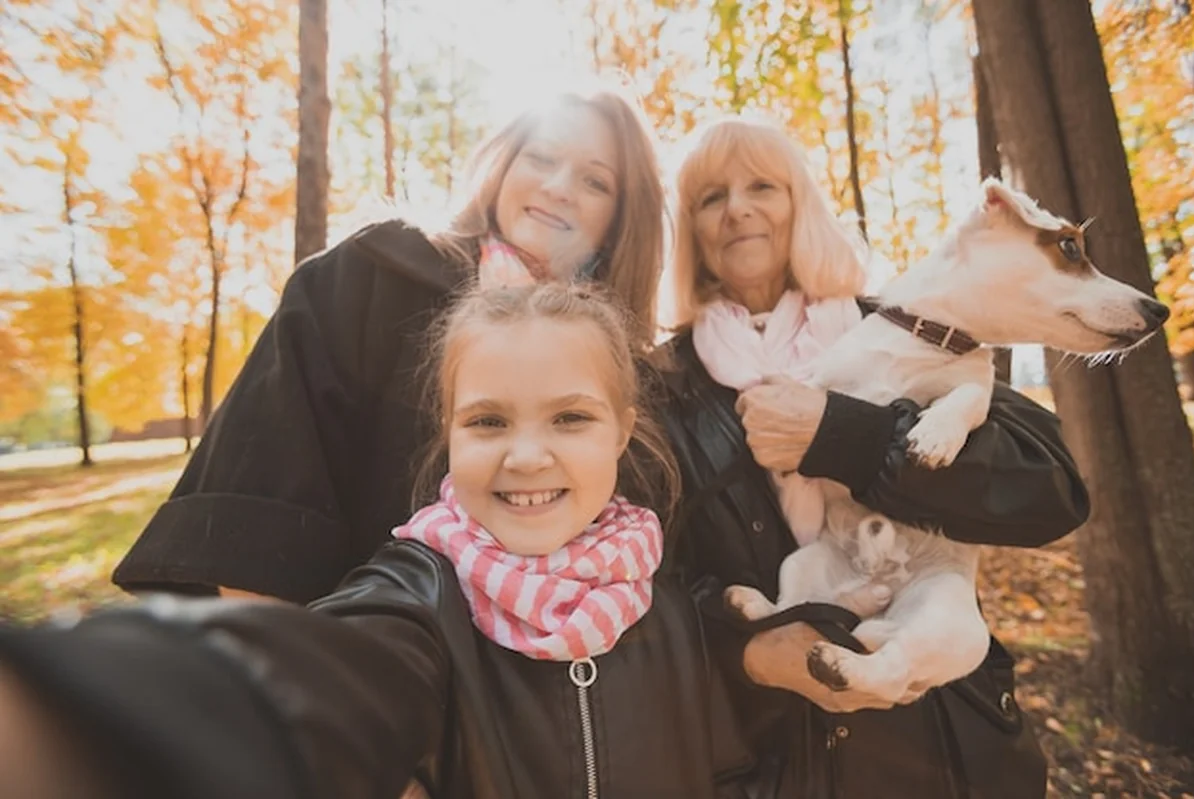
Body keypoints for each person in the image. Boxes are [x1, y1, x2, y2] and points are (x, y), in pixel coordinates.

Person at [0, 283, 754, 799]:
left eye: (570, 417)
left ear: (623, 429)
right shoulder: (418, 592)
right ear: (449, 431)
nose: (526, 456)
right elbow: (325, 673)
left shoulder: (660, 593)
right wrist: (98, 716)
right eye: (488, 421)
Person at [656, 116, 1091, 798]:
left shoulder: (896, 323)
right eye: (712, 197)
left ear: (799, 203)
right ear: (690, 229)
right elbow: (655, 584)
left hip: (943, 746)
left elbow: (1050, 487)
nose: (737, 208)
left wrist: (848, 437)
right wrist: (748, 652)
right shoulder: (664, 387)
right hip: (773, 762)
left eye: (761, 186)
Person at [111, 79, 666, 604]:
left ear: (619, 221)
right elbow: (259, 523)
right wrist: (291, 691)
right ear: (503, 167)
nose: (558, 188)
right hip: (366, 670)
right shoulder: (368, 278)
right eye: (541, 158)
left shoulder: (634, 375)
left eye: (596, 181)